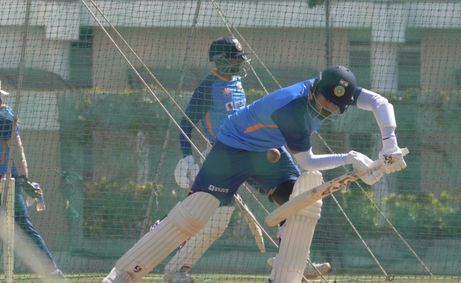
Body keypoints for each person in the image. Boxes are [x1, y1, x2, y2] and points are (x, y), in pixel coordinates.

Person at [103, 64, 406, 283]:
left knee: (299, 205)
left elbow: (380, 102)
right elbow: (310, 163)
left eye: (335, 106)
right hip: (232, 150)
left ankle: (286, 272)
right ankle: (125, 274)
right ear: (314, 91)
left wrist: (389, 144)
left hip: (267, 151)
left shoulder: (336, 89)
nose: (327, 110)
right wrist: (352, 158)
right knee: (195, 214)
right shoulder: (291, 110)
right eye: (325, 103)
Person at [168, 36, 330, 282]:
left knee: (297, 197)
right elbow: (185, 124)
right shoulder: (207, 88)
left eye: (240, 59)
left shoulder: (237, 83)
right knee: (214, 219)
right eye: (234, 59)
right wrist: (188, 157)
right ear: (219, 61)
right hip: (229, 157)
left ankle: (293, 263)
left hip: (261, 149)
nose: (239, 64)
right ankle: (177, 270)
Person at [0, 81, 64, 279]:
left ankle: (52, 272)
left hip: (6, 181)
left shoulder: (4, 116)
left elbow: (17, 148)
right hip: (9, 180)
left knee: (22, 224)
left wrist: (23, 178)